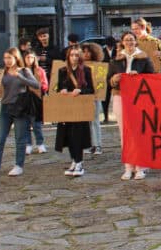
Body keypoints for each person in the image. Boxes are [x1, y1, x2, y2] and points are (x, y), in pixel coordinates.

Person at [108, 31, 156, 180]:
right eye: (126, 40)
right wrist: (114, 79)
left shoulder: (144, 58)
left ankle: (140, 166)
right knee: (124, 133)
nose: (129, 42)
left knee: (138, 132)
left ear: (136, 41)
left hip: (139, 99)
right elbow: (109, 80)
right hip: (120, 97)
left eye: (131, 40)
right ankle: (128, 166)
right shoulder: (115, 60)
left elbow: (152, 78)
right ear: (122, 42)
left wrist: (140, 77)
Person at [0, 48, 40, 178]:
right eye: (5, 58)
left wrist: (20, 77)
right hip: (5, 108)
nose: (7, 61)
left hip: (20, 108)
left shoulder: (24, 71)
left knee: (20, 138)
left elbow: (36, 84)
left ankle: (18, 165)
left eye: (10, 58)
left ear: (16, 58)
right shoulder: (2, 72)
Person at [54, 47, 94, 177]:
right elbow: (58, 87)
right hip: (67, 108)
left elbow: (91, 90)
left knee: (78, 135)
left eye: (77, 55)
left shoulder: (86, 70)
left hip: (80, 108)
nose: (74, 58)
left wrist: (81, 91)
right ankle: (74, 160)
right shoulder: (62, 71)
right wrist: (63, 90)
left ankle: (79, 162)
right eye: (72, 55)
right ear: (68, 57)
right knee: (68, 136)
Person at [23, 50, 48, 155]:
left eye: (31, 57)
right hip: (23, 99)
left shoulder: (39, 70)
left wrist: (41, 87)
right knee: (25, 124)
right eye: (27, 57)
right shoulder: (21, 71)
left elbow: (45, 84)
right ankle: (28, 145)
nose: (30, 60)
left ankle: (40, 143)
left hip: (36, 100)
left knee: (36, 123)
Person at [81, 42, 104, 154]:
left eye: (88, 52)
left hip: (94, 96)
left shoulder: (97, 66)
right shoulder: (78, 66)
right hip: (82, 96)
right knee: (85, 121)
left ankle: (97, 145)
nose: (86, 54)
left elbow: (100, 83)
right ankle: (88, 144)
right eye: (84, 52)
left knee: (95, 121)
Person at [102, 36, 117, 123]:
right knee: (105, 98)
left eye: (111, 46)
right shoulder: (102, 51)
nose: (110, 47)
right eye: (108, 46)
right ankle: (105, 115)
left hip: (115, 75)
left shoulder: (117, 50)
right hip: (105, 76)